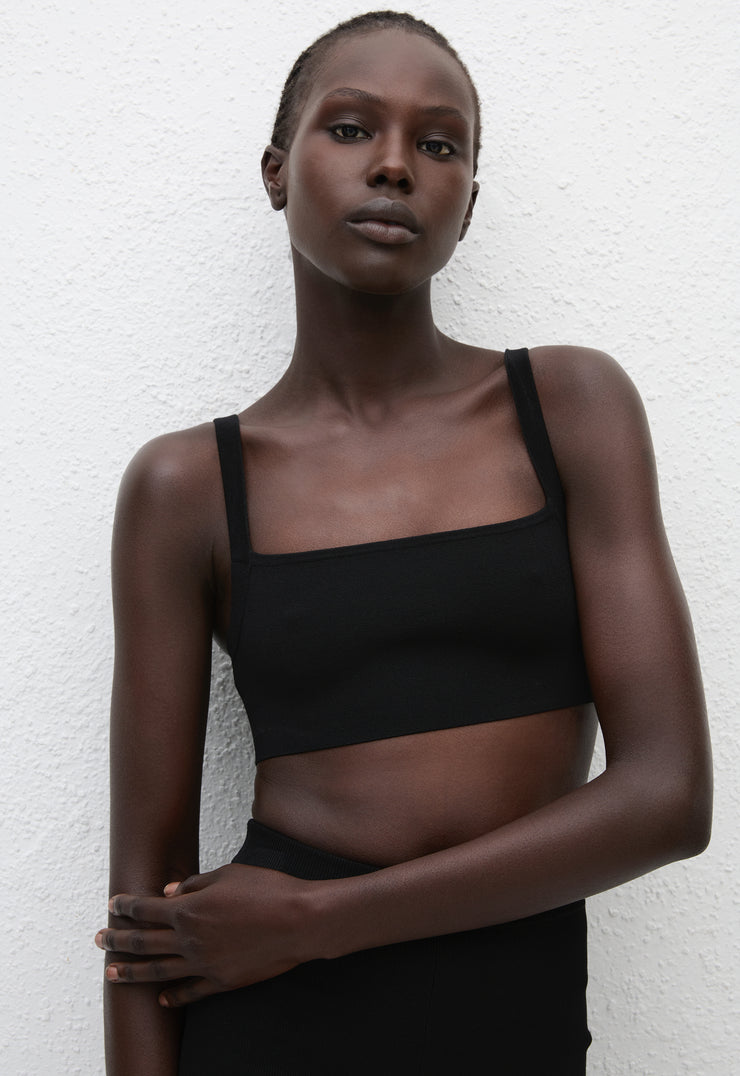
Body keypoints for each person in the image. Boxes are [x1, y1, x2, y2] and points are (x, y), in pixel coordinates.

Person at [95, 11, 712, 1075]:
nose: (393, 165)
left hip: (503, 1019)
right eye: (349, 129)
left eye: (437, 143)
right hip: (269, 1031)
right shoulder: (186, 487)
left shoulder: (568, 407)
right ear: (276, 171)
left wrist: (316, 920)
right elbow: (143, 905)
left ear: (466, 203)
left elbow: (668, 797)